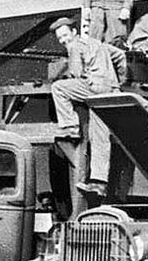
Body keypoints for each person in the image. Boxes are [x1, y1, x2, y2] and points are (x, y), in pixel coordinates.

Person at [49, 16, 121, 197]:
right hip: (110, 93)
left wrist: (66, 77)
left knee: (58, 88)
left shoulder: (74, 46)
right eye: (60, 39)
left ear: (74, 32)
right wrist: (120, 79)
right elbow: (120, 55)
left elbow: (75, 73)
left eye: (65, 35)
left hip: (95, 89)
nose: (64, 40)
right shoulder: (98, 43)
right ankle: (99, 183)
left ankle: (70, 127)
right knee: (99, 137)